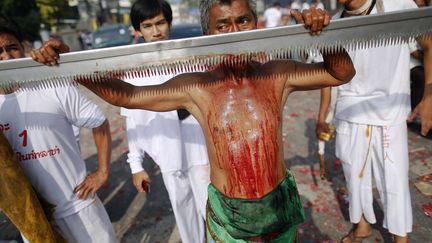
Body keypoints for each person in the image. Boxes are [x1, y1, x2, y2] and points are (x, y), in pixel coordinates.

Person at [36, 0, 355, 241]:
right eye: (223, 25)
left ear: (255, 24)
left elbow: (340, 73)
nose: (234, 32)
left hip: (277, 208)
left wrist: (323, 37)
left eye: (242, 20)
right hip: (229, 216)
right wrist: (69, 65)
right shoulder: (198, 87)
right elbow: (127, 96)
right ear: (208, 33)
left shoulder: (277, 74)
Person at [315, 0, 432, 242]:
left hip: (390, 110)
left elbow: (429, 45)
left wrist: (429, 93)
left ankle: (401, 238)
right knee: (353, 173)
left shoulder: (399, 5)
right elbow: (329, 76)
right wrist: (321, 116)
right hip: (350, 110)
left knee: (394, 178)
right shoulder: (334, 24)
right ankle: (362, 225)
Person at [0, 16, 117, 243]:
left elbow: (98, 121)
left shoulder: (52, 85)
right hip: (35, 220)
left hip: (80, 208)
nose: (5, 57)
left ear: (23, 47)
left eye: (11, 48)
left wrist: (102, 172)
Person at [124, 1, 210, 242]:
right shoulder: (132, 70)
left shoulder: (192, 59)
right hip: (169, 156)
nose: (156, 31)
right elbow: (132, 121)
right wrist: (136, 165)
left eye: (160, 22)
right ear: (138, 30)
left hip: (202, 153)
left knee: (214, 212)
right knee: (185, 214)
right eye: (147, 25)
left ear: (169, 23)